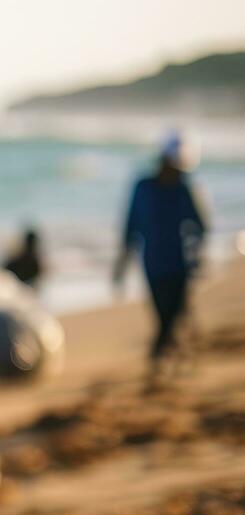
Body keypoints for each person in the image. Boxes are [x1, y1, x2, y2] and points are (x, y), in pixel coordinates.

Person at [114, 131, 208, 370]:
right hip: (153, 264)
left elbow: (200, 225)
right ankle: (167, 355)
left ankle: (160, 357)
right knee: (163, 315)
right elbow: (131, 226)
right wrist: (121, 264)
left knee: (173, 315)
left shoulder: (184, 189)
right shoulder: (143, 188)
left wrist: (197, 254)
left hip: (180, 264)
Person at [2, 226, 44, 291]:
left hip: (17, 288)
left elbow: (4, 270)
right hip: (24, 290)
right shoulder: (34, 260)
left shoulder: (17, 257)